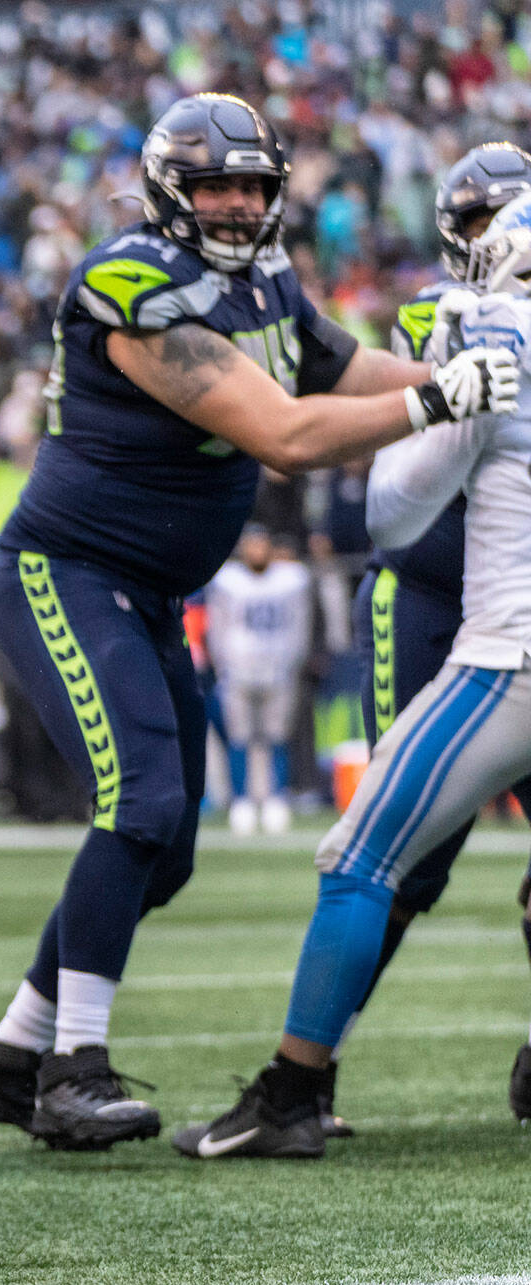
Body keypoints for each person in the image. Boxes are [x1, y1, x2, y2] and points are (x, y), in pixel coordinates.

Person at [0, 92, 518, 1153]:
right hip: (64, 573)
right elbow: (288, 434)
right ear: (169, 189)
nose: (233, 202)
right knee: (140, 804)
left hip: (151, 593)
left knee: (165, 855)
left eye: (250, 184)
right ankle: (71, 1069)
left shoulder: (262, 278)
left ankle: (5, 1056)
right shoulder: (131, 283)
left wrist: (480, 376)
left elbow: (337, 367)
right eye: (213, 184)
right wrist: (441, 400)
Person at [178, 205, 531, 1159]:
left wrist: (448, 396)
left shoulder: (501, 346)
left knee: (358, 855)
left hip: (513, 656)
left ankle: (292, 1091)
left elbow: (394, 508)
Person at [328, 142, 531, 1132]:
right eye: (488, 226)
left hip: (519, 614)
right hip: (429, 594)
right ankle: (310, 1062)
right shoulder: (435, 316)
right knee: (405, 848)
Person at [204, 525, 313, 835]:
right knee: (239, 737)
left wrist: (293, 662)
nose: (257, 551)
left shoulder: (289, 579)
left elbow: (299, 626)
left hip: (278, 669)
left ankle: (276, 799)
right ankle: (242, 800)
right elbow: (218, 626)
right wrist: (222, 663)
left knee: (277, 736)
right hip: (237, 670)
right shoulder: (229, 581)